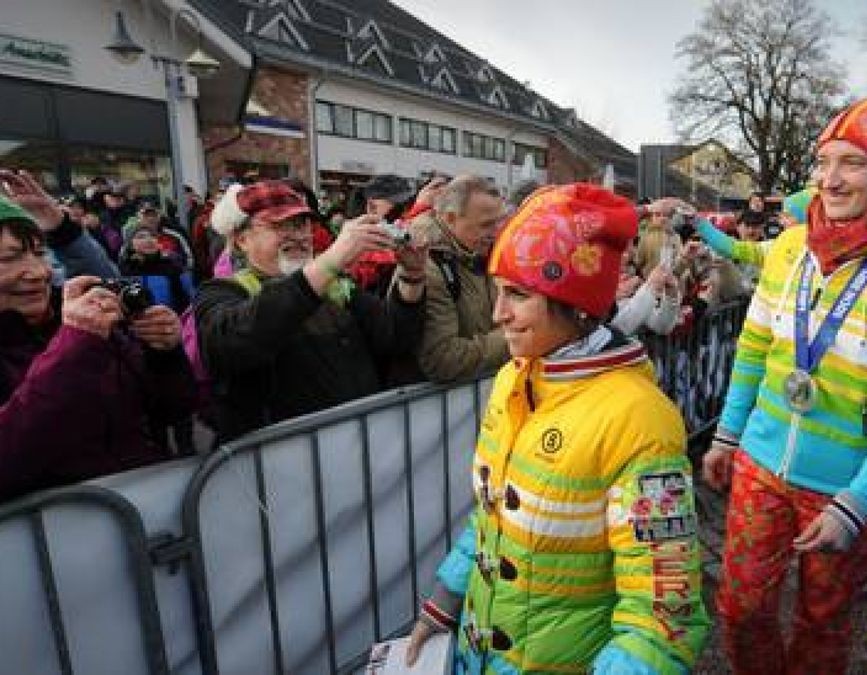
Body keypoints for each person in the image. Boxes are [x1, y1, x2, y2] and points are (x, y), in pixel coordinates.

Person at [405, 183, 709, 673]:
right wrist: (444, 602)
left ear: (577, 304)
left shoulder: (641, 420)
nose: (498, 313)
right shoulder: (513, 377)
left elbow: (663, 613)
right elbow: (493, 516)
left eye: (518, 295)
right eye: (498, 291)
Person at [701, 95, 867, 674]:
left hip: (848, 488)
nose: (831, 180)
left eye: (854, 163)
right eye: (825, 161)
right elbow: (753, 350)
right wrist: (725, 437)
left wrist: (857, 503)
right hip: (762, 465)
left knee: (823, 624)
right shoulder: (791, 246)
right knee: (740, 609)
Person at [195, 180, 426, 443]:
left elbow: (396, 336)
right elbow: (236, 342)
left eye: (302, 224)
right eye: (279, 225)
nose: (298, 236)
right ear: (241, 239)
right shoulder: (220, 292)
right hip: (280, 468)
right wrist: (332, 259)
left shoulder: (337, 289)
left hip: (358, 450)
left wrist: (413, 275)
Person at [0, 192, 194, 501]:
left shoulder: (84, 321)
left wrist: (164, 354)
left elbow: (173, 409)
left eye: (39, 254)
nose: (39, 272)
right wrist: (72, 350)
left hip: (151, 519)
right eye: (9, 258)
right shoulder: (80, 334)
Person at [411, 175, 509, 382]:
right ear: (450, 218)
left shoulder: (486, 252)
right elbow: (441, 359)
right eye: (485, 225)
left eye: (498, 222)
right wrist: (515, 338)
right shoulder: (427, 266)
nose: (496, 233)